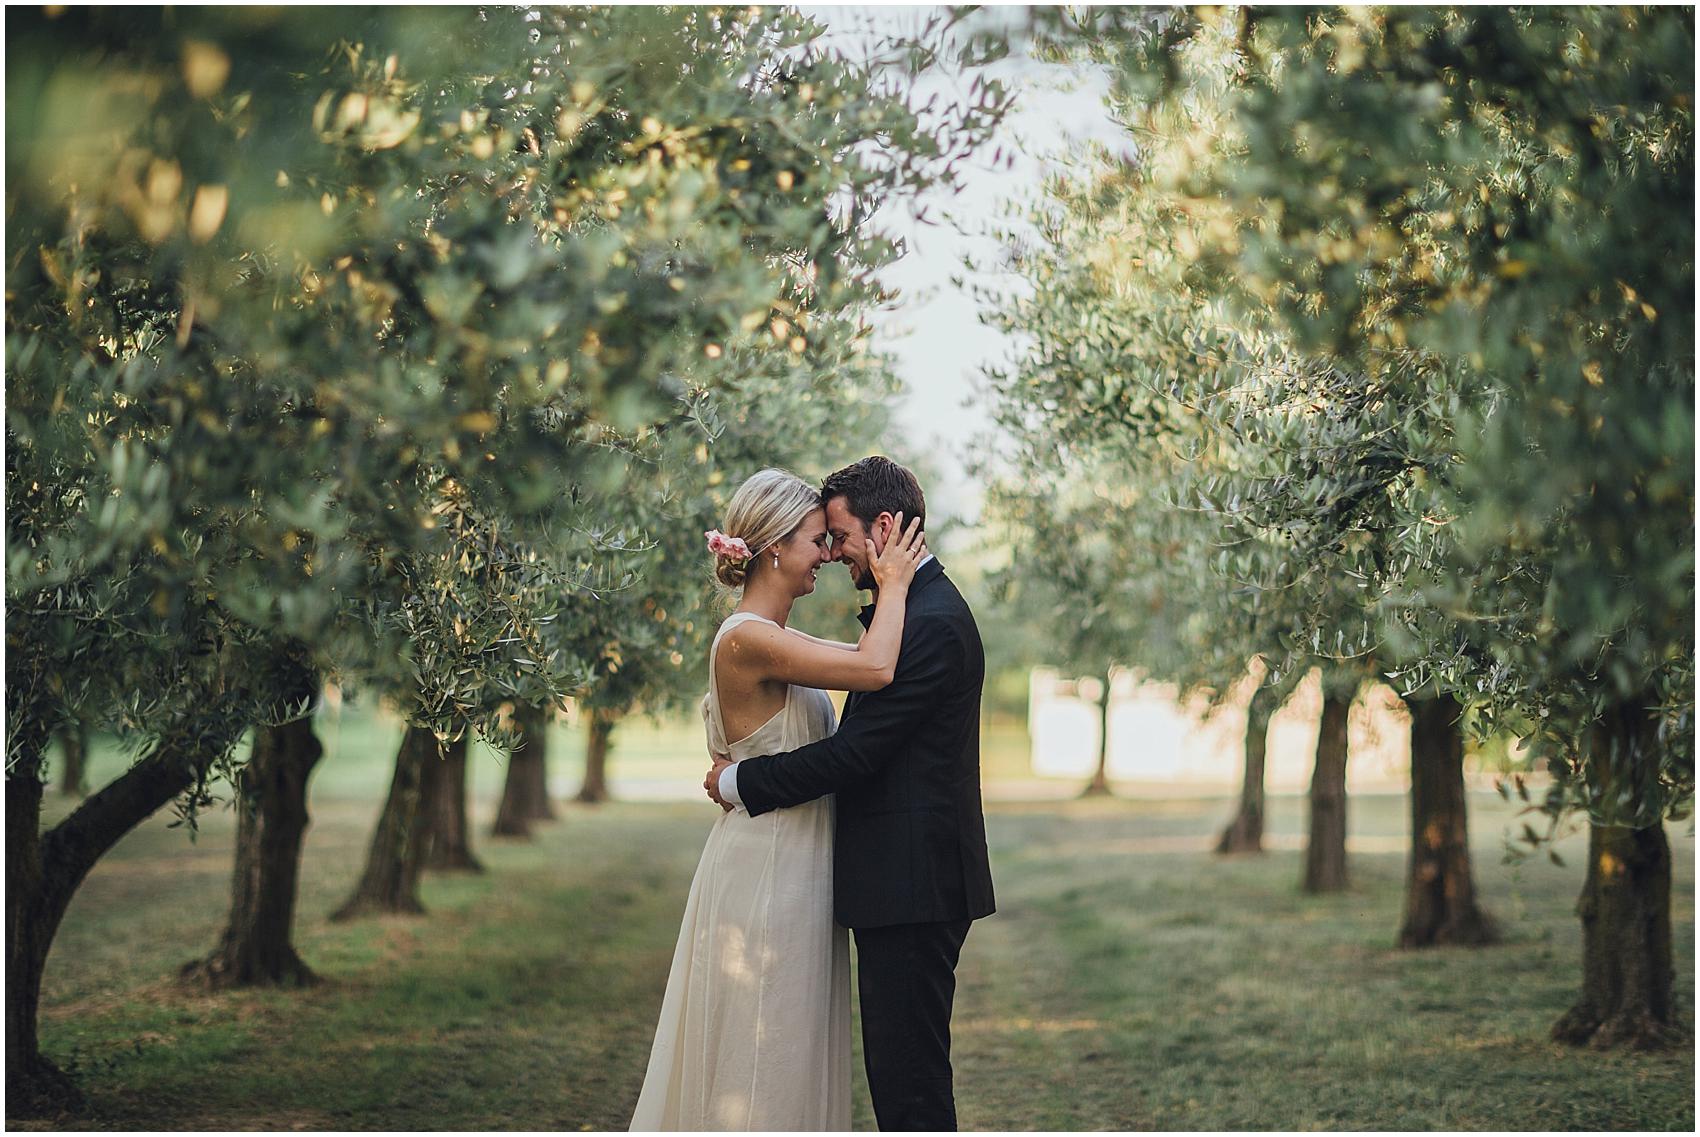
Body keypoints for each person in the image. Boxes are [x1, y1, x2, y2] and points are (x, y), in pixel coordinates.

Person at [629, 467, 927, 1132]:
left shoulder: (778, 639)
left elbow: (861, 658)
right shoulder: (747, 637)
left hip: (798, 869)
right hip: (765, 876)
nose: (827, 554)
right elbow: (876, 666)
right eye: (818, 540)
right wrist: (897, 580)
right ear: (773, 549)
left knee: (789, 1052)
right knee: (760, 1052)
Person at [706, 455, 996, 1132]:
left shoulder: (930, 623)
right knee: (902, 1083)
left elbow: (856, 754)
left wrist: (738, 780)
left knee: (912, 1092)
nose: (834, 554)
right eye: (822, 539)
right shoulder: (911, 612)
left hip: (914, 887)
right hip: (897, 884)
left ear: (885, 527)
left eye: (837, 536)